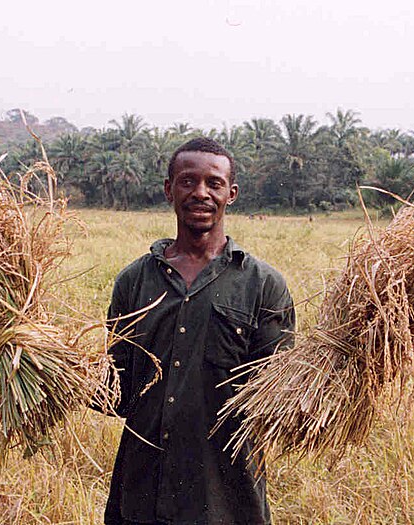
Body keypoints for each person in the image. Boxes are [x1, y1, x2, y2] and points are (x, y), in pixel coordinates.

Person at [102, 137, 295, 525]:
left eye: (214, 183)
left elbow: (277, 403)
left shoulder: (263, 286)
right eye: (188, 182)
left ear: (232, 194)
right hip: (142, 497)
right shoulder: (134, 282)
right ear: (169, 189)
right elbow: (117, 392)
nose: (200, 193)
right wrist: (59, 370)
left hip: (226, 500)